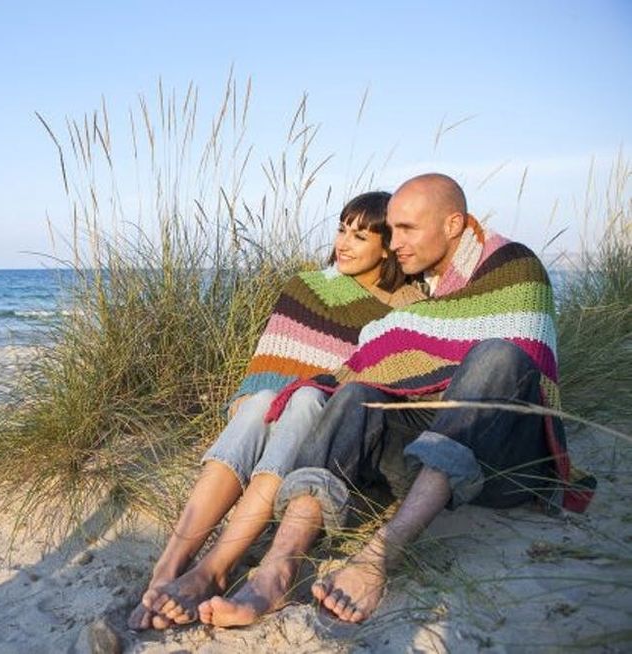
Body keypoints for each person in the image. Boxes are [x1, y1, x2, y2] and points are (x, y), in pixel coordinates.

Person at [179, 173, 596, 629]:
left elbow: (520, 358)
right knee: (354, 391)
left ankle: (377, 558)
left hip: (505, 460)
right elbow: (386, 350)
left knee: (498, 354)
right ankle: (279, 566)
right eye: (391, 229)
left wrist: (422, 343)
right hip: (425, 457)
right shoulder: (420, 291)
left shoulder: (513, 266)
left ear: (454, 224)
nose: (394, 242)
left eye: (407, 229)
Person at [129, 191, 425, 630]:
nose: (343, 242)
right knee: (264, 402)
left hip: (327, 438)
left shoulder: (405, 306)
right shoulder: (305, 287)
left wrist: (300, 394)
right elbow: (268, 368)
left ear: (388, 246)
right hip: (272, 417)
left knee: (304, 398)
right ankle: (170, 564)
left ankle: (215, 566)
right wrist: (259, 403)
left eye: (360, 236)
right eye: (341, 229)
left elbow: (380, 384)